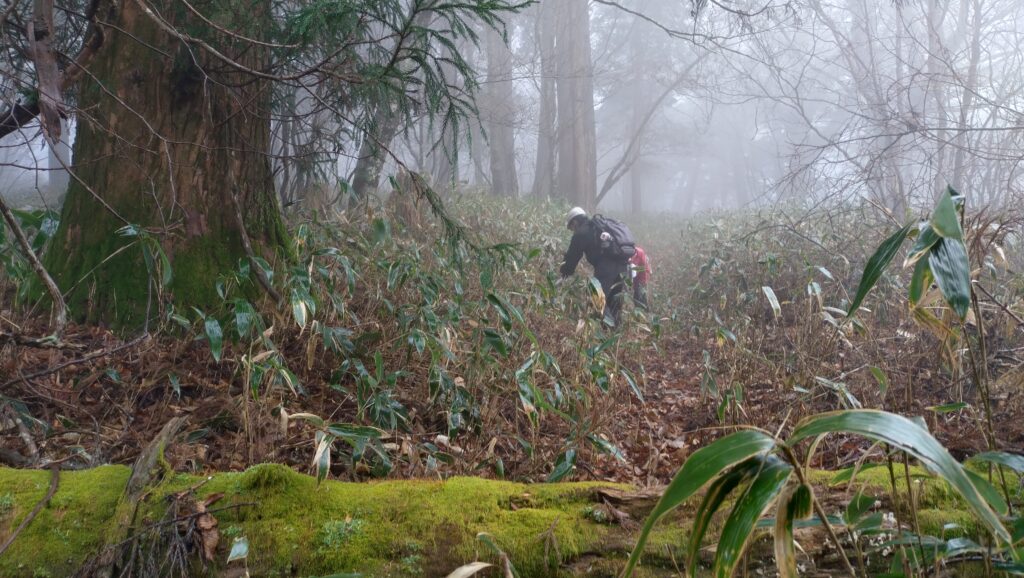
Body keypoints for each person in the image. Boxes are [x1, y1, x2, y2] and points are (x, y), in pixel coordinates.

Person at [559, 207, 633, 325]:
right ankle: (616, 335)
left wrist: (564, 273)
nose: (573, 230)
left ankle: (608, 333)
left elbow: (572, 257)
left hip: (607, 269)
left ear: (575, 222)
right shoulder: (596, 227)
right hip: (624, 266)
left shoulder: (581, 233)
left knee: (597, 300)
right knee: (614, 303)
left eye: (571, 227)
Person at [629, 245, 651, 310]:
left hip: (643, 275)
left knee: (641, 294)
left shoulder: (640, 253)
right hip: (635, 276)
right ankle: (638, 309)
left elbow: (644, 268)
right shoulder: (626, 253)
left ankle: (645, 310)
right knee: (636, 294)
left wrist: (635, 269)